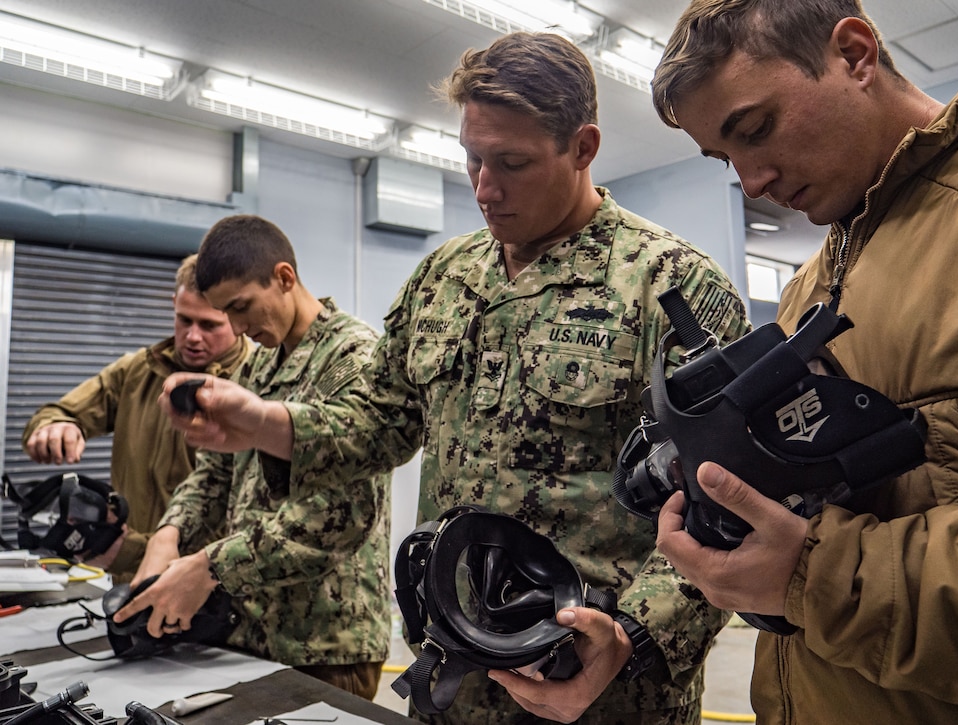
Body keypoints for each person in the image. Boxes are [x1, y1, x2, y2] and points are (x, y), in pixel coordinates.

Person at [157, 32, 750, 724]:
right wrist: (266, 421)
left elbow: (727, 501)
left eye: (513, 162)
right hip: (454, 678)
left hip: (602, 690)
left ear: (583, 148)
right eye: (471, 158)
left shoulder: (669, 288)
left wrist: (635, 634)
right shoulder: (444, 278)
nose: (484, 188)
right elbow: (379, 423)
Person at [650, 1, 958, 723]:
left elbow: (820, 564)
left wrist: (825, 575)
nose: (750, 180)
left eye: (755, 129)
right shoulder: (805, 289)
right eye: (725, 160)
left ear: (854, 54)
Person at [113, 215, 393, 701]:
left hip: (323, 644)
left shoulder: (354, 357)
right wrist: (168, 534)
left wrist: (210, 567)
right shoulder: (263, 361)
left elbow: (338, 517)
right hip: (252, 628)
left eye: (240, 308)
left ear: (284, 278)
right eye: (229, 314)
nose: (238, 328)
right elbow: (217, 470)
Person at [21, 254, 250, 576]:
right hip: (128, 577)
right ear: (173, 303)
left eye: (210, 325)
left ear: (237, 318)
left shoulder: (258, 383)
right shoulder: (136, 372)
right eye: (185, 320)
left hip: (209, 584)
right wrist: (56, 426)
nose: (194, 336)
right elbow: (56, 413)